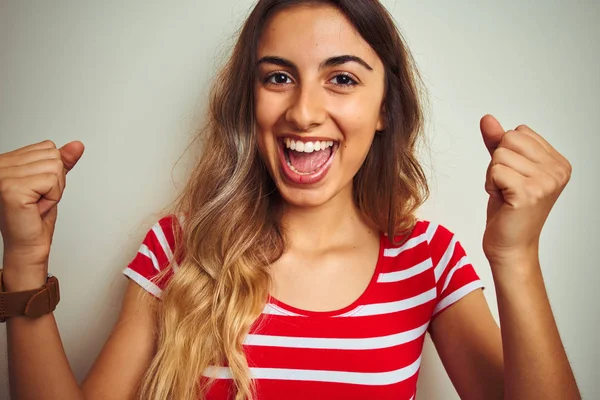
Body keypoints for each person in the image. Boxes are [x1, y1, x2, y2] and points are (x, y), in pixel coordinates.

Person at [0, 1, 581, 399]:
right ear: (247, 101)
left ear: (385, 109)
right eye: (277, 77)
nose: (303, 111)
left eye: (343, 79)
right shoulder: (179, 249)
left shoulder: (427, 260)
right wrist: (24, 262)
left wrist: (517, 255)